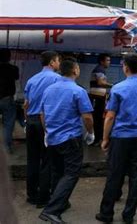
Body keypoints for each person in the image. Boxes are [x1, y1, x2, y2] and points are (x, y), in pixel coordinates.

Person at [96, 55, 137, 224]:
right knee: (135, 176)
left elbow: (110, 117)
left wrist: (104, 138)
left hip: (120, 137)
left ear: (125, 67)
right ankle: (128, 215)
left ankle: (106, 213)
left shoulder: (118, 88)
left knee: (115, 174)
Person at [38, 58, 94, 224]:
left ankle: (60, 202)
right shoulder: (78, 91)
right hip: (70, 138)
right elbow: (87, 116)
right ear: (75, 70)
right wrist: (90, 132)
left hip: (53, 138)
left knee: (58, 172)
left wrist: (47, 131)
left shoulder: (48, 90)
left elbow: (42, 114)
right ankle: (52, 210)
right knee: (71, 173)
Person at [24, 51, 61, 207]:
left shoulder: (32, 80)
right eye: (58, 61)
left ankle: (31, 194)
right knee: (47, 160)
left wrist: (26, 121)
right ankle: (43, 197)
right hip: (46, 122)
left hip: (31, 121)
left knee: (32, 159)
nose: (59, 63)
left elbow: (25, 104)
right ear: (52, 62)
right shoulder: (57, 80)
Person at [89, 54, 112, 144]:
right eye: (108, 60)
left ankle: (98, 138)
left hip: (99, 97)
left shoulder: (100, 69)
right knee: (97, 118)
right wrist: (113, 85)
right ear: (102, 61)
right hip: (97, 98)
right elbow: (101, 82)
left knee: (98, 118)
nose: (109, 62)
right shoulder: (99, 69)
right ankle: (97, 139)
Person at [0, 49, 19, 153]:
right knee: (8, 124)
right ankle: (6, 148)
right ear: (9, 57)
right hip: (7, 99)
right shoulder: (13, 68)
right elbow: (16, 79)